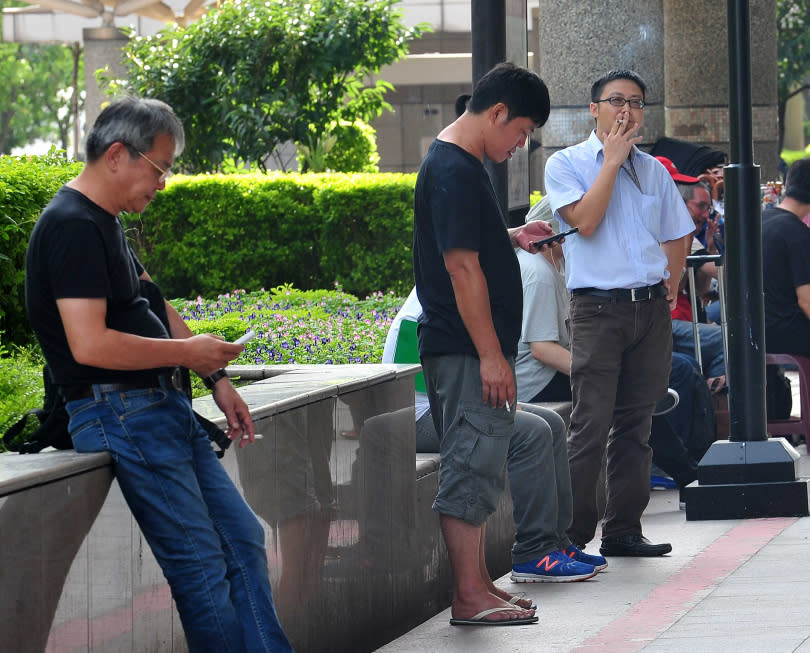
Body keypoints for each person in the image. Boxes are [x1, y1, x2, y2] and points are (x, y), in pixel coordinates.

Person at [24, 97, 292, 652]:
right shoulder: (71, 225)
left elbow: (152, 299)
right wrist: (185, 355)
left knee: (242, 541)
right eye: (161, 167)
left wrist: (215, 375)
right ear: (118, 154)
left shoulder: (104, 222)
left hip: (157, 408)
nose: (163, 184)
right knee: (199, 567)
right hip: (118, 412)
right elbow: (89, 342)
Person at [413, 62, 553, 626]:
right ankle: (468, 595)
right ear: (497, 113)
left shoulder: (462, 165)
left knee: (482, 461)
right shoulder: (452, 168)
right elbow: (460, 266)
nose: (520, 145)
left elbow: (472, 246)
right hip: (467, 349)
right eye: (520, 131)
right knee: (470, 469)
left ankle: (479, 586)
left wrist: (512, 236)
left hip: (471, 348)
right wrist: (493, 354)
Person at [544, 70, 694, 558]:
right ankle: (569, 537)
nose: (626, 111)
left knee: (638, 424)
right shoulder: (565, 164)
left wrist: (670, 284)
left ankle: (624, 529)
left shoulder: (653, 169)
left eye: (636, 102)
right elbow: (585, 222)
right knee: (590, 424)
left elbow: (679, 230)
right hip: (598, 310)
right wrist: (611, 161)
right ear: (594, 110)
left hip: (649, 309)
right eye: (615, 101)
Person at [383, 289, 605, 593]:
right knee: (532, 432)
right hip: (420, 418)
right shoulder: (423, 316)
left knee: (551, 422)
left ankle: (556, 541)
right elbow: (444, 388)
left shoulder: (456, 299)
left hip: (455, 407)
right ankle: (533, 553)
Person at [762, 158, 810, 357]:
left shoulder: (759, 220)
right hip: (785, 331)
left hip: (753, 328)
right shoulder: (797, 233)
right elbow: (806, 300)